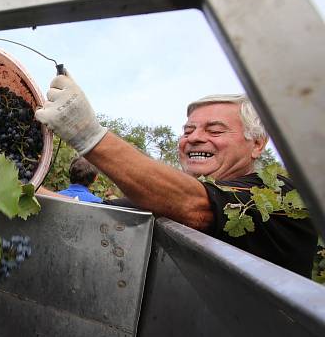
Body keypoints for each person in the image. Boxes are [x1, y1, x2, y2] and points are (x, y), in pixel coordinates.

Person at [34, 71, 318, 277]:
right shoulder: (161, 201)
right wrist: (21, 183)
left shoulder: (279, 200)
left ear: (257, 144)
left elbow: (196, 206)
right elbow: (82, 210)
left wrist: (88, 135)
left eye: (215, 131)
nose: (195, 138)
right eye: (188, 131)